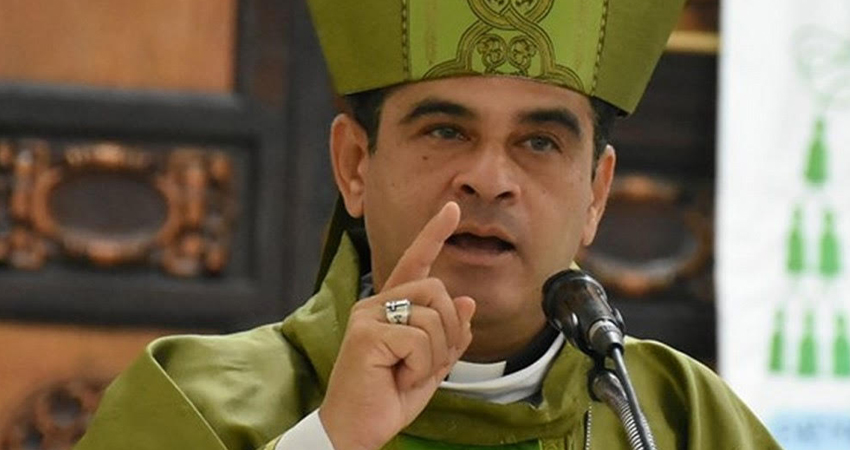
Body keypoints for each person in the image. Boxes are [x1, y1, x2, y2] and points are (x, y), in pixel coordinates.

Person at [75, 1, 781, 449]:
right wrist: (331, 439)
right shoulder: (198, 405)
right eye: (445, 131)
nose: (490, 178)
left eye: (539, 142)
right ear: (355, 164)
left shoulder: (687, 424)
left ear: (596, 193)